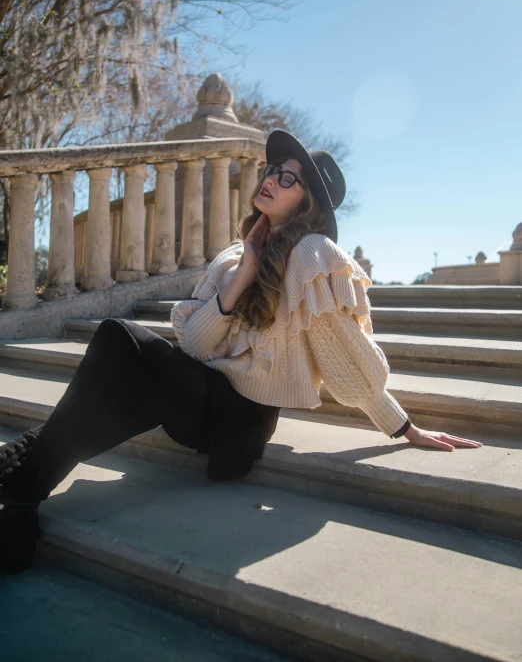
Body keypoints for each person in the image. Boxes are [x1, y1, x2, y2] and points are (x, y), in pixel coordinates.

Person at [0, 129, 482, 574]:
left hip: (240, 423)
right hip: (201, 398)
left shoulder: (314, 255)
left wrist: (403, 426)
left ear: (307, 203)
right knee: (120, 354)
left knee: (121, 342)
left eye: (288, 178)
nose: (272, 178)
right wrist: (245, 273)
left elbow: (347, 364)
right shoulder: (235, 255)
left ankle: (21, 478)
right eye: (273, 170)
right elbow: (193, 342)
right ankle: (22, 477)